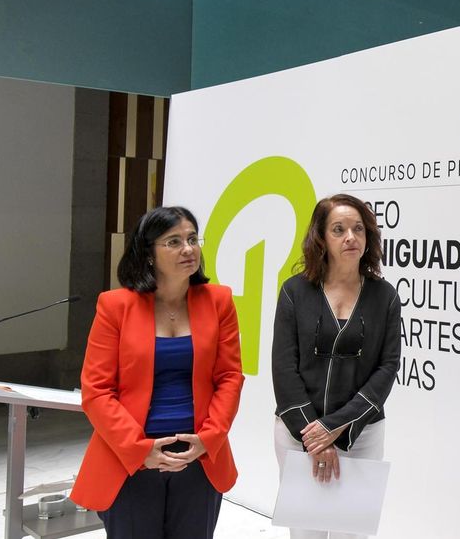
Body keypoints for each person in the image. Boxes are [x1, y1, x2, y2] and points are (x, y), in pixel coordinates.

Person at [72, 207, 244, 538]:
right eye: (174, 241)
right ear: (148, 253)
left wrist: (208, 440)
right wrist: (140, 449)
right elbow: (96, 390)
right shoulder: (115, 306)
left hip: (199, 457)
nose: (189, 249)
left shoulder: (219, 301)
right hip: (131, 459)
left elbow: (229, 378)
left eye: (193, 239)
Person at [272, 194, 402, 539]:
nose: (351, 237)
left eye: (358, 229)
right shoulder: (294, 292)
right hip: (298, 433)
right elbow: (284, 369)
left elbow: (388, 367)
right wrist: (316, 436)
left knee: (353, 534)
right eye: (339, 229)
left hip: (363, 435)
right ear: (321, 238)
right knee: (306, 533)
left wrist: (336, 427)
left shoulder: (385, 295)